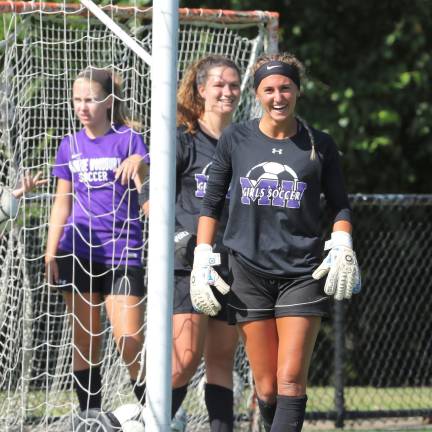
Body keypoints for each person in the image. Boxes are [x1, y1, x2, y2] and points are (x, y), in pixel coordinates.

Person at [191, 53, 361, 432]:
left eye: (286, 87)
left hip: (302, 273)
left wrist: (342, 242)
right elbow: (212, 200)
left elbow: (340, 206)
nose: (278, 96)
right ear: (257, 94)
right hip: (247, 273)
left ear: (298, 91)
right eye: (269, 89)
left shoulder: (320, 144)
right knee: (266, 389)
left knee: (289, 381)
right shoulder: (237, 137)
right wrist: (203, 255)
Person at [139, 55, 242, 432]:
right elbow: (149, 197)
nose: (227, 92)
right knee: (182, 361)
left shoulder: (243, 145)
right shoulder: (184, 142)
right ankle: (148, 424)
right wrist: (179, 239)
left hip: (232, 266)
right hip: (188, 267)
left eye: (233, 85)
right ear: (201, 90)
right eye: (219, 85)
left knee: (220, 361)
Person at [45, 67, 149, 413]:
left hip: (123, 252)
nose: (83, 106)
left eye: (90, 99)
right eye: (77, 100)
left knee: (129, 340)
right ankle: (89, 416)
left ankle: (156, 413)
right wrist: (50, 250)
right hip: (76, 250)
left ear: (108, 101)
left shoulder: (130, 141)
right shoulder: (69, 145)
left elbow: (148, 196)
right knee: (86, 341)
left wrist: (142, 164)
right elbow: (63, 202)